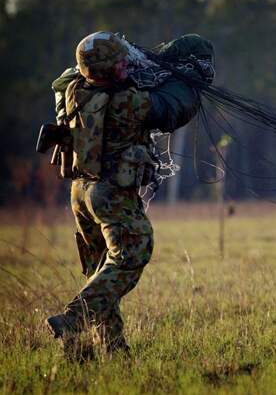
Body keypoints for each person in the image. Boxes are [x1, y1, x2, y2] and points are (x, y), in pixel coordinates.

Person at [44, 31, 205, 357]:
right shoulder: (127, 102)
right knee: (132, 254)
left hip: (80, 193)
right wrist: (190, 77)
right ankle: (74, 319)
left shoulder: (73, 91)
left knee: (102, 271)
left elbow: (66, 78)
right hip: (110, 194)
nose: (126, 66)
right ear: (105, 70)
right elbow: (173, 107)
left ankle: (108, 352)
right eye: (119, 63)